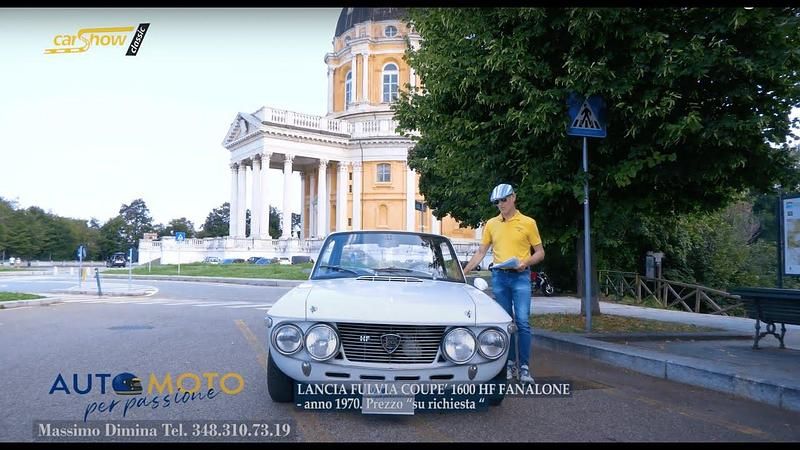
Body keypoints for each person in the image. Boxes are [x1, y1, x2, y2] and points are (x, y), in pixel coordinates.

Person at [462, 183, 545, 384]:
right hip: (500, 276)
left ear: (513, 197)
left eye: (505, 200)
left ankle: (524, 367)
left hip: (520, 276)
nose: (501, 204)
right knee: (506, 324)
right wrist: (463, 272)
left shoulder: (528, 222)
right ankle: (509, 365)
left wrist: (525, 262)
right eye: (498, 202)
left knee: (523, 322)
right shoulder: (491, 224)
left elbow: (540, 252)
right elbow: (482, 252)